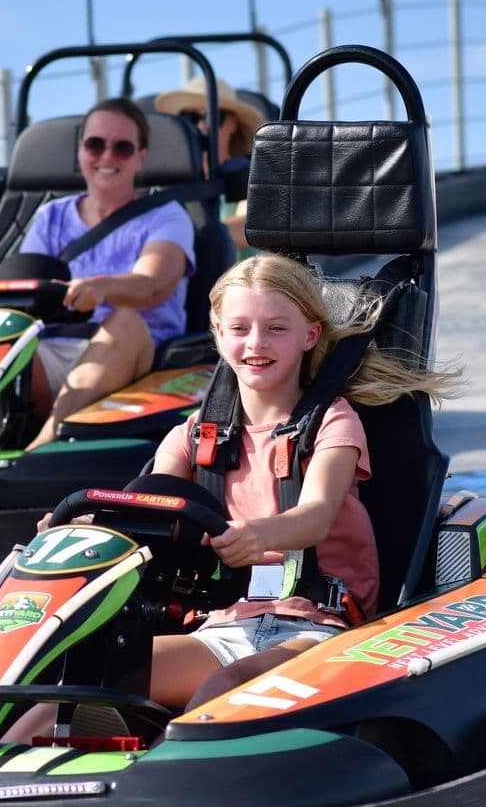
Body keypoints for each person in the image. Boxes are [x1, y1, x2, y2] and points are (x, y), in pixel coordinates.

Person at [143, 254, 463, 712]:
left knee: (227, 688)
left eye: (276, 328)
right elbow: (153, 506)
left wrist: (257, 535)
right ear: (218, 333)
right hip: (223, 624)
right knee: (97, 669)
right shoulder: (193, 435)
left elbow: (316, 515)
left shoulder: (334, 423)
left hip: (316, 629)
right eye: (240, 328)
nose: (256, 342)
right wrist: (86, 529)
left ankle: (175, 751)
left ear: (310, 336)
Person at [17, 96, 194, 449]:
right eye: (95, 144)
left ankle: (45, 444)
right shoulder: (51, 216)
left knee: (125, 320)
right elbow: (27, 283)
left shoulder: (167, 216)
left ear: (141, 157)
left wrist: (100, 288)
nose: (107, 156)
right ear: (81, 150)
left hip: (136, 357)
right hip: (51, 348)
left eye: (122, 148)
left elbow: (152, 286)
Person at [154, 74, 266, 249]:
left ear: (232, 123)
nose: (200, 127)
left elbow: (253, 223)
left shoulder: (253, 177)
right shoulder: (166, 185)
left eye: (211, 117)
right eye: (190, 118)